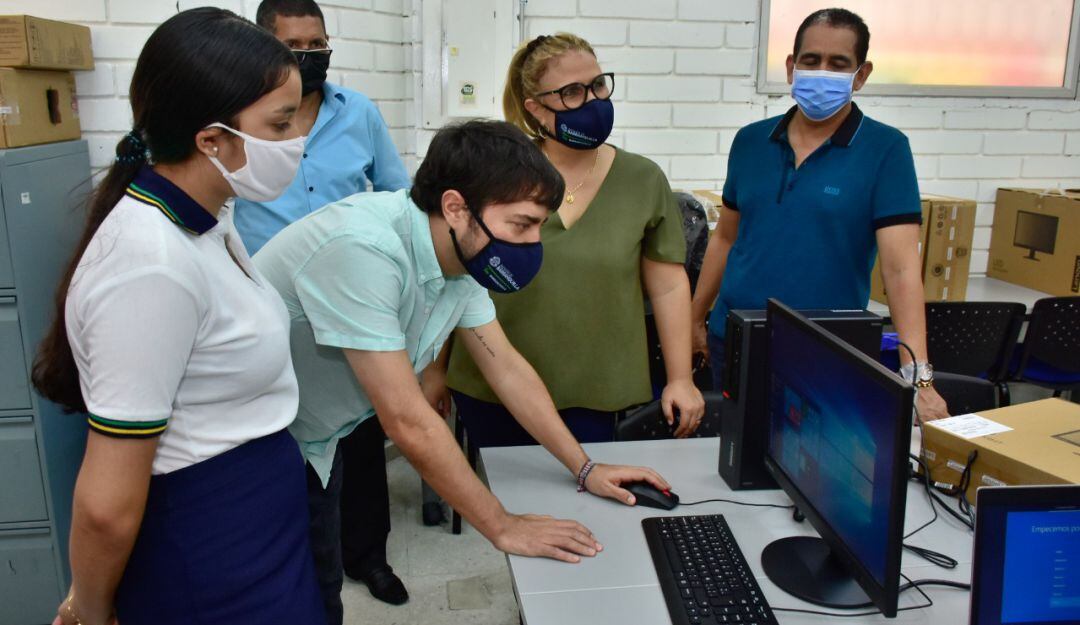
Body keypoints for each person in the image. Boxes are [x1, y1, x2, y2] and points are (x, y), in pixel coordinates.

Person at [253, 119, 672, 625]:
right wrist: (501, 525)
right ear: (455, 206)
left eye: (540, 225)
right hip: (256, 449)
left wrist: (584, 467)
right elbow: (407, 419)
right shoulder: (362, 248)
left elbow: (507, 368)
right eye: (521, 224)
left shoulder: (459, 256)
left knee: (319, 594)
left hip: (316, 438)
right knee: (284, 601)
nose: (534, 242)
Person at [31, 9, 325, 625]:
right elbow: (108, 501)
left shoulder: (209, 213)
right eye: (280, 124)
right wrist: (89, 608)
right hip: (208, 541)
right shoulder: (148, 264)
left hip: (256, 513)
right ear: (211, 140)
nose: (298, 138)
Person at [446, 33, 705, 448]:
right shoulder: (497, 173)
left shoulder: (642, 179)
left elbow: (669, 284)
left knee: (595, 506)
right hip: (493, 385)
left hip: (601, 393)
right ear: (536, 108)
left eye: (598, 85)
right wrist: (431, 371)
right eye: (571, 92)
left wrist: (680, 379)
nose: (593, 100)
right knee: (508, 509)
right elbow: (454, 277)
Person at [690, 8, 949, 422]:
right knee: (733, 463)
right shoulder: (750, 141)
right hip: (735, 338)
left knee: (812, 471)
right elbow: (726, 238)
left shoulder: (886, 150)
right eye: (811, 61)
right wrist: (694, 317)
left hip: (825, 348)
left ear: (860, 76)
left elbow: (901, 272)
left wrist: (919, 378)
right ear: (792, 67)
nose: (821, 71)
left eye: (838, 64)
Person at [243, 0, 414, 606]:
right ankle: (302, 559)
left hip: (351, 301)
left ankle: (369, 557)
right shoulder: (248, 120)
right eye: (295, 46)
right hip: (273, 309)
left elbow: (398, 193)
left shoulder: (358, 113)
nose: (310, 56)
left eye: (319, 43)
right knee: (285, 442)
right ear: (264, 48)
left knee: (361, 436)